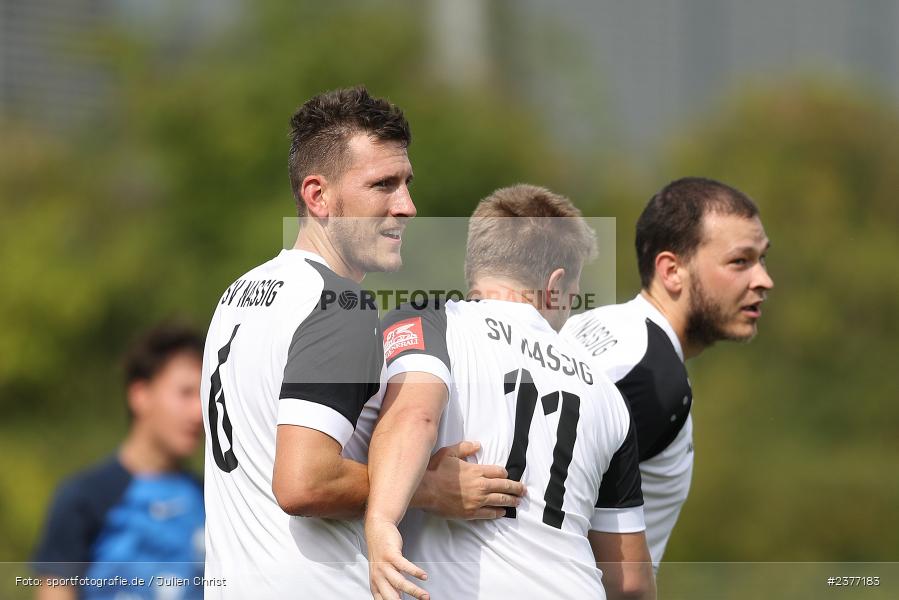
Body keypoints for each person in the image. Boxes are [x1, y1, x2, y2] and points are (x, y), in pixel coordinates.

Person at [200, 86, 524, 599]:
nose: (408, 206)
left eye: (406, 184)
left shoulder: (239, 294)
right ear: (318, 196)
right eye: (383, 185)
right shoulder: (339, 306)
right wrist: (426, 488)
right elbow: (303, 482)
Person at [366, 184, 657, 600]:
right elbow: (630, 581)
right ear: (556, 285)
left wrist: (381, 521)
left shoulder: (431, 321)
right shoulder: (609, 395)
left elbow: (414, 416)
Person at [562, 177, 774, 573]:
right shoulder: (653, 379)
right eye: (740, 262)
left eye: (762, 259)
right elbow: (541, 507)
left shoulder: (593, 324)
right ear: (672, 271)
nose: (763, 280)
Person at [32, 322, 206, 600]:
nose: (198, 412)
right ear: (140, 395)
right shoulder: (84, 498)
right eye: (185, 393)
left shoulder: (212, 498)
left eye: (203, 395)